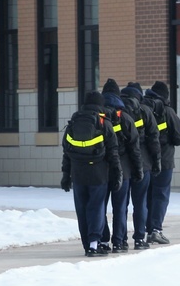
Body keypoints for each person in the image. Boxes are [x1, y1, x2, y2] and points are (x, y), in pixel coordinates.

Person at [60, 91, 122, 257]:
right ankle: (95, 244)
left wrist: (66, 175)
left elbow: (66, 151)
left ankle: (87, 245)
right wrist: (117, 174)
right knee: (96, 207)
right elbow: (113, 152)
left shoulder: (74, 122)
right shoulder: (103, 122)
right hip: (98, 174)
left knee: (82, 209)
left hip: (78, 173)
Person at [100, 79, 143, 253]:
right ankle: (119, 241)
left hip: (102, 169)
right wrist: (138, 169)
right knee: (120, 207)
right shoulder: (124, 117)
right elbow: (134, 147)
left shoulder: (99, 116)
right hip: (123, 170)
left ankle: (103, 240)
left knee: (101, 207)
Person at [143, 81, 180, 245]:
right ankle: (156, 230)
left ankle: (145, 231)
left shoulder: (142, 109)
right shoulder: (167, 111)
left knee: (147, 197)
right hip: (164, 161)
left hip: (145, 161)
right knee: (160, 196)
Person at [121, 82, 161, 249]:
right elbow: (153, 139)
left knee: (122, 204)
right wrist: (156, 161)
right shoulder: (144, 111)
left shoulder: (117, 111)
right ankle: (139, 239)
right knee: (140, 203)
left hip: (123, 164)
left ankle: (120, 240)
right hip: (143, 164)